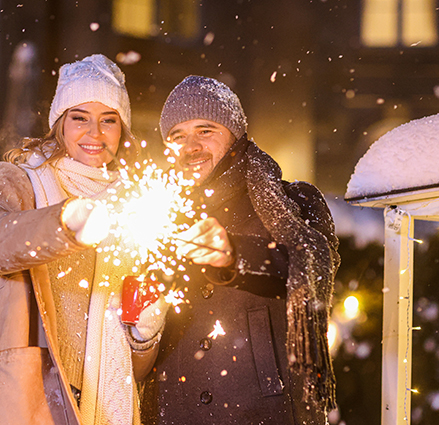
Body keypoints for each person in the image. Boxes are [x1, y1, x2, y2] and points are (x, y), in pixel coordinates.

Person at [0, 54, 166, 425]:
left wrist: (145, 334)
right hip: (32, 397)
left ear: (123, 130)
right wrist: (65, 223)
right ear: (60, 124)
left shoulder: (136, 204)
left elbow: (134, 365)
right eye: (80, 118)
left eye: (109, 121)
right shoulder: (22, 182)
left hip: (108, 405)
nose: (94, 134)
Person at [141, 76, 340, 425]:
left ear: (236, 136)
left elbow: (310, 261)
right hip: (175, 410)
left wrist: (235, 254)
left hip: (263, 411)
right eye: (178, 136)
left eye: (206, 130)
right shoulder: (154, 215)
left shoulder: (292, 202)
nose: (191, 146)